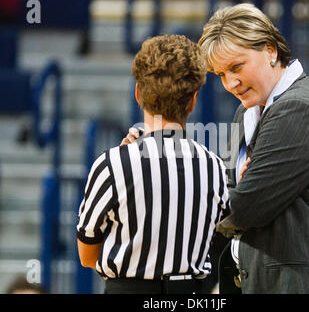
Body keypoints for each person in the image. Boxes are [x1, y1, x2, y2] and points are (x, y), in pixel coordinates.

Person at [197, 3, 309, 293]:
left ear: (270, 51)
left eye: (236, 66)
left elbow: (244, 207)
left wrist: (238, 191)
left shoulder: (298, 108)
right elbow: (229, 190)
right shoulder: (247, 112)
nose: (231, 83)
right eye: (220, 74)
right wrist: (237, 187)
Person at [76, 34, 230, 294]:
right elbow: (220, 243)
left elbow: (86, 256)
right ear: (193, 100)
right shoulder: (215, 168)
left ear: (138, 93)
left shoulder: (112, 164)